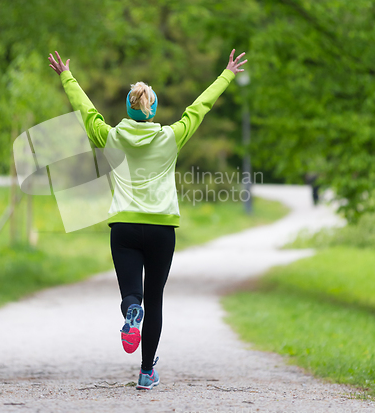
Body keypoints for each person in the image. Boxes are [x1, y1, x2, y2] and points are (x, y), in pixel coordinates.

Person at [48, 49, 247, 390]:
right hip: (161, 230)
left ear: (128, 108)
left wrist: (67, 75)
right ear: (151, 109)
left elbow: (86, 110)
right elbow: (199, 108)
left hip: (124, 228)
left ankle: (130, 312)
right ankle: (145, 372)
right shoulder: (170, 137)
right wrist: (227, 74)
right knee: (155, 299)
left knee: (133, 296)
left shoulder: (110, 136)